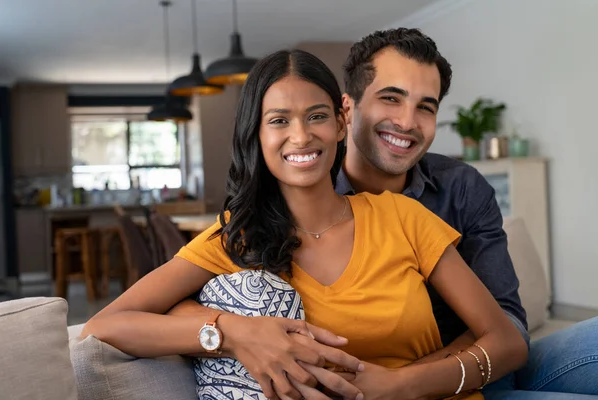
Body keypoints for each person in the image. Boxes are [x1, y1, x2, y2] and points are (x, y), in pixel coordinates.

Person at [80, 48, 528, 400]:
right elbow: (102, 326)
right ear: (256, 135)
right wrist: (231, 331)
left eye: (316, 116)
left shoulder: (402, 216)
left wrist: (399, 386)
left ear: (340, 123)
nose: (301, 136)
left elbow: (507, 341)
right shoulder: (235, 237)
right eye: (279, 121)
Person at [334, 28, 598, 400]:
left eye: (425, 106)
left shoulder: (462, 187)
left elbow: (508, 321)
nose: (408, 122)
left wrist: (405, 384)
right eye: (391, 98)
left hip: (483, 369)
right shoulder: (312, 193)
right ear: (347, 109)